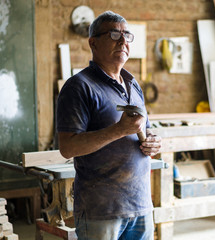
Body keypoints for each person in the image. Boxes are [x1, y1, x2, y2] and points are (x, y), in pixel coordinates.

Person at [56, 11, 161, 240]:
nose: (123, 41)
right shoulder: (79, 87)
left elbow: (146, 130)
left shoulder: (133, 84)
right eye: (114, 34)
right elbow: (67, 148)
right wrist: (118, 130)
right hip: (101, 211)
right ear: (93, 43)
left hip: (140, 204)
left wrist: (153, 142)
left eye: (127, 35)